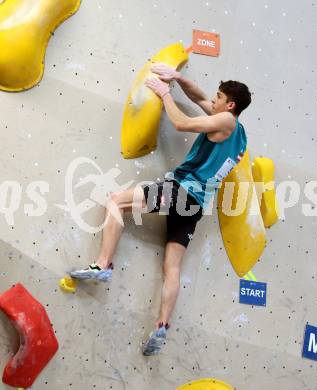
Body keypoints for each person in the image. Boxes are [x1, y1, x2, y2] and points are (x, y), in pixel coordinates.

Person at [70, 63, 251, 355]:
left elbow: (181, 123)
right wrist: (179, 79)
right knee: (172, 266)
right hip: (196, 205)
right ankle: (162, 326)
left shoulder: (225, 121)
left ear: (230, 104)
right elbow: (199, 99)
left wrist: (166, 93)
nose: (213, 100)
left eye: (219, 97)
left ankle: (103, 265)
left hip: (183, 190)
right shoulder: (239, 132)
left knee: (117, 200)